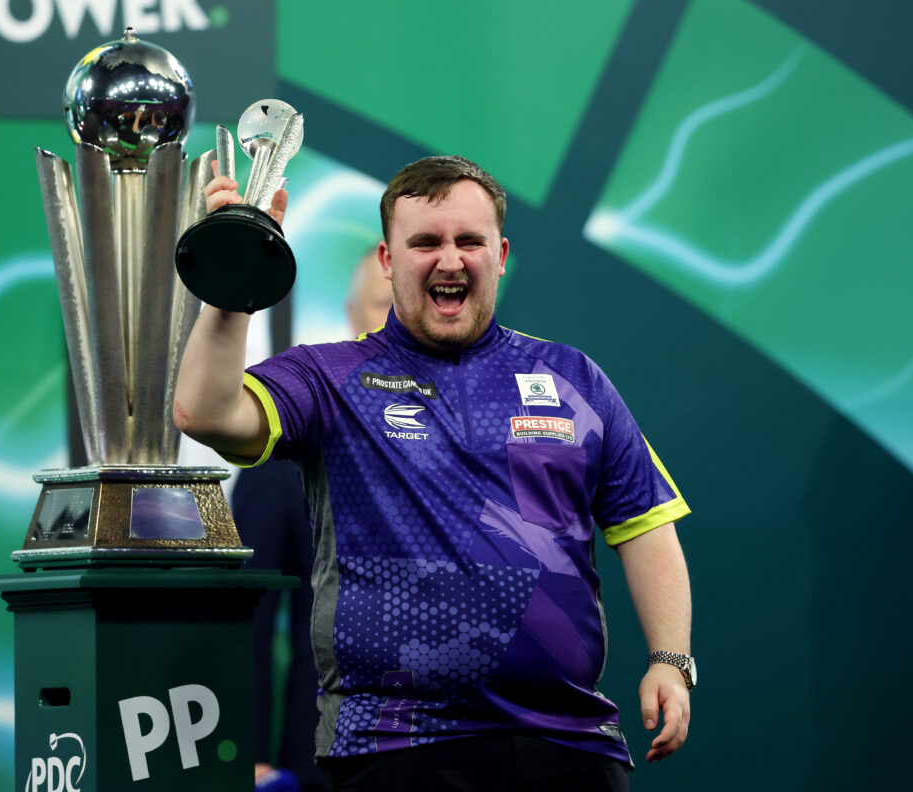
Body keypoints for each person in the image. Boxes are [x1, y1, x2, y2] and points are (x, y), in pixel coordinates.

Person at [175, 156, 694, 791]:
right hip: (397, 747)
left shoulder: (574, 379)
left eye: (468, 241)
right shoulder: (327, 377)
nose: (450, 260)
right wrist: (234, 274)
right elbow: (205, 411)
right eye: (425, 242)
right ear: (388, 259)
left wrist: (671, 658)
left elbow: (644, 527)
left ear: (500, 254)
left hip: (571, 745)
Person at [233, 250, 393, 792]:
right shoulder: (287, 449)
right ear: (352, 315)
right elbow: (244, 618)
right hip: (326, 758)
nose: (399, 320)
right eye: (383, 304)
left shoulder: (478, 438)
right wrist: (245, 754)